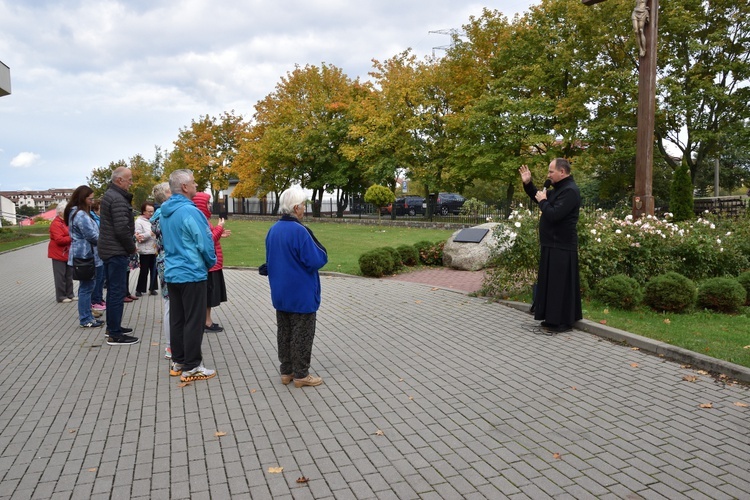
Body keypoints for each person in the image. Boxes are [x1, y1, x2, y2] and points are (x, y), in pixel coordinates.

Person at [265, 186, 328, 388]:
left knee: (284, 331)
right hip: (300, 292)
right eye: (302, 205)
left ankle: (287, 371)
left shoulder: (273, 230)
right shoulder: (300, 231)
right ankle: (301, 374)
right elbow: (317, 259)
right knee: (302, 332)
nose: (304, 209)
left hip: (280, 291)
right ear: (295, 207)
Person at [160, 169, 217, 382]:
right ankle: (192, 366)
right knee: (194, 320)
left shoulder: (165, 211)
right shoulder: (190, 212)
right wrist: (210, 262)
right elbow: (204, 241)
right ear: (184, 187)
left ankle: (179, 360)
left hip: (173, 272)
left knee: (178, 318)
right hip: (191, 272)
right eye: (193, 183)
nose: (196, 186)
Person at [519, 159, 583, 333]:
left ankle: (562, 321)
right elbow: (541, 198)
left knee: (559, 286)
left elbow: (554, 214)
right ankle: (551, 318)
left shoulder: (570, 191)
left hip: (562, 245)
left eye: (550, 172)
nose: (548, 175)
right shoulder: (559, 189)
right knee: (551, 285)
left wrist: (542, 202)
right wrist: (528, 184)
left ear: (562, 172)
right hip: (552, 244)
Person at [99, 167, 139, 345]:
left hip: (109, 249)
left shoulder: (111, 195)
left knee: (115, 291)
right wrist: (131, 247)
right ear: (119, 180)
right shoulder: (118, 199)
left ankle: (113, 327)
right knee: (116, 291)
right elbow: (122, 229)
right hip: (116, 251)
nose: (131, 183)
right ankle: (115, 334)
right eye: (129, 179)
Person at [64, 185, 103, 328]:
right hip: (85, 255)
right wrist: (104, 240)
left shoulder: (77, 213)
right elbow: (91, 235)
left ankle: (88, 316)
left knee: (86, 287)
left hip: (84, 254)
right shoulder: (80, 214)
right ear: (82, 198)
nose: (92, 201)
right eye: (90, 198)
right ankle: (86, 318)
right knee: (87, 288)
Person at [192, 192, 231, 333]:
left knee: (209, 295)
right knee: (208, 296)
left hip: (213, 265)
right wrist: (219, 228)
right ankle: (206, 322)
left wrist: (219, 232)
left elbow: (210, 235)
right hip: (210, 266)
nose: (210, 205)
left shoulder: (203, 219)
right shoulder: (201, 220)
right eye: (208, 203)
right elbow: (208, 241)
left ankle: (206, 320)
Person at [151, 182, 172, 359]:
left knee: (170, 303)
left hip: (164, 261)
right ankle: (171, 346)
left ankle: (173, 345)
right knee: (170, 304)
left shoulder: (160, 214)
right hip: (168, 262)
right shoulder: (164, 214)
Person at [49, 202, 75, 303]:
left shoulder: (66, 222)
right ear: (60, 212)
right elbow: (59, 240)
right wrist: (72, 237)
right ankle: (61, 296)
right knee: (60, 276)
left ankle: (70, 294)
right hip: (58, 253)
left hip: (67, 252)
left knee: (69, 275)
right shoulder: (56, 224)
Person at [134, 202, 158, 297]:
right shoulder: (139, 222)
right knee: (144, 270)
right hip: (145, 250)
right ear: (144, 211)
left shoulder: (154, 220)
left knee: (154, 270)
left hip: (154, 249)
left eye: (152, 211)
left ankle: (153, 288)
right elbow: (138, 236)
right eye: (149, 211)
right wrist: (149, 234)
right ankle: (139, 289)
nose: (151, 213)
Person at [89, 199, 106, 315]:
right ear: (95, 209)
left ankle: (99, 299)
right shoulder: (93, 219)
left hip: (101, 252)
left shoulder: (99, 219)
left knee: (101, 277)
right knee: (97, 278)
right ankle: (95, 300)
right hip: (95, 253)